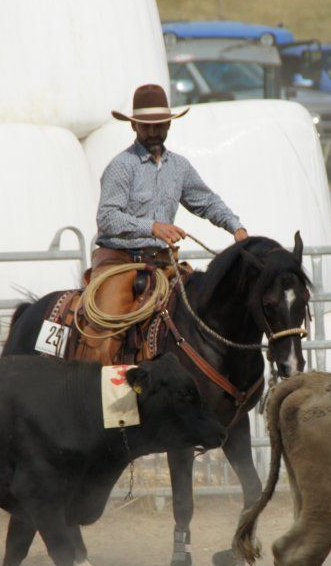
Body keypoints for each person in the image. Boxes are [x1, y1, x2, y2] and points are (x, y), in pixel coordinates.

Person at [86, 83, 248, 363]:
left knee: (205, 313)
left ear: (169, 125)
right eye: (147, 126)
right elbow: (107, 218)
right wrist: (152, 227)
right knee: (104, 335)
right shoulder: (121, 166)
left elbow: (206, 201)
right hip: (120, 263)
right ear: (134, 127)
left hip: (163, 263)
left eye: (160, 125)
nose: (154, 132)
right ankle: (93, 381)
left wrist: (235, 227)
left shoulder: (179, 167)